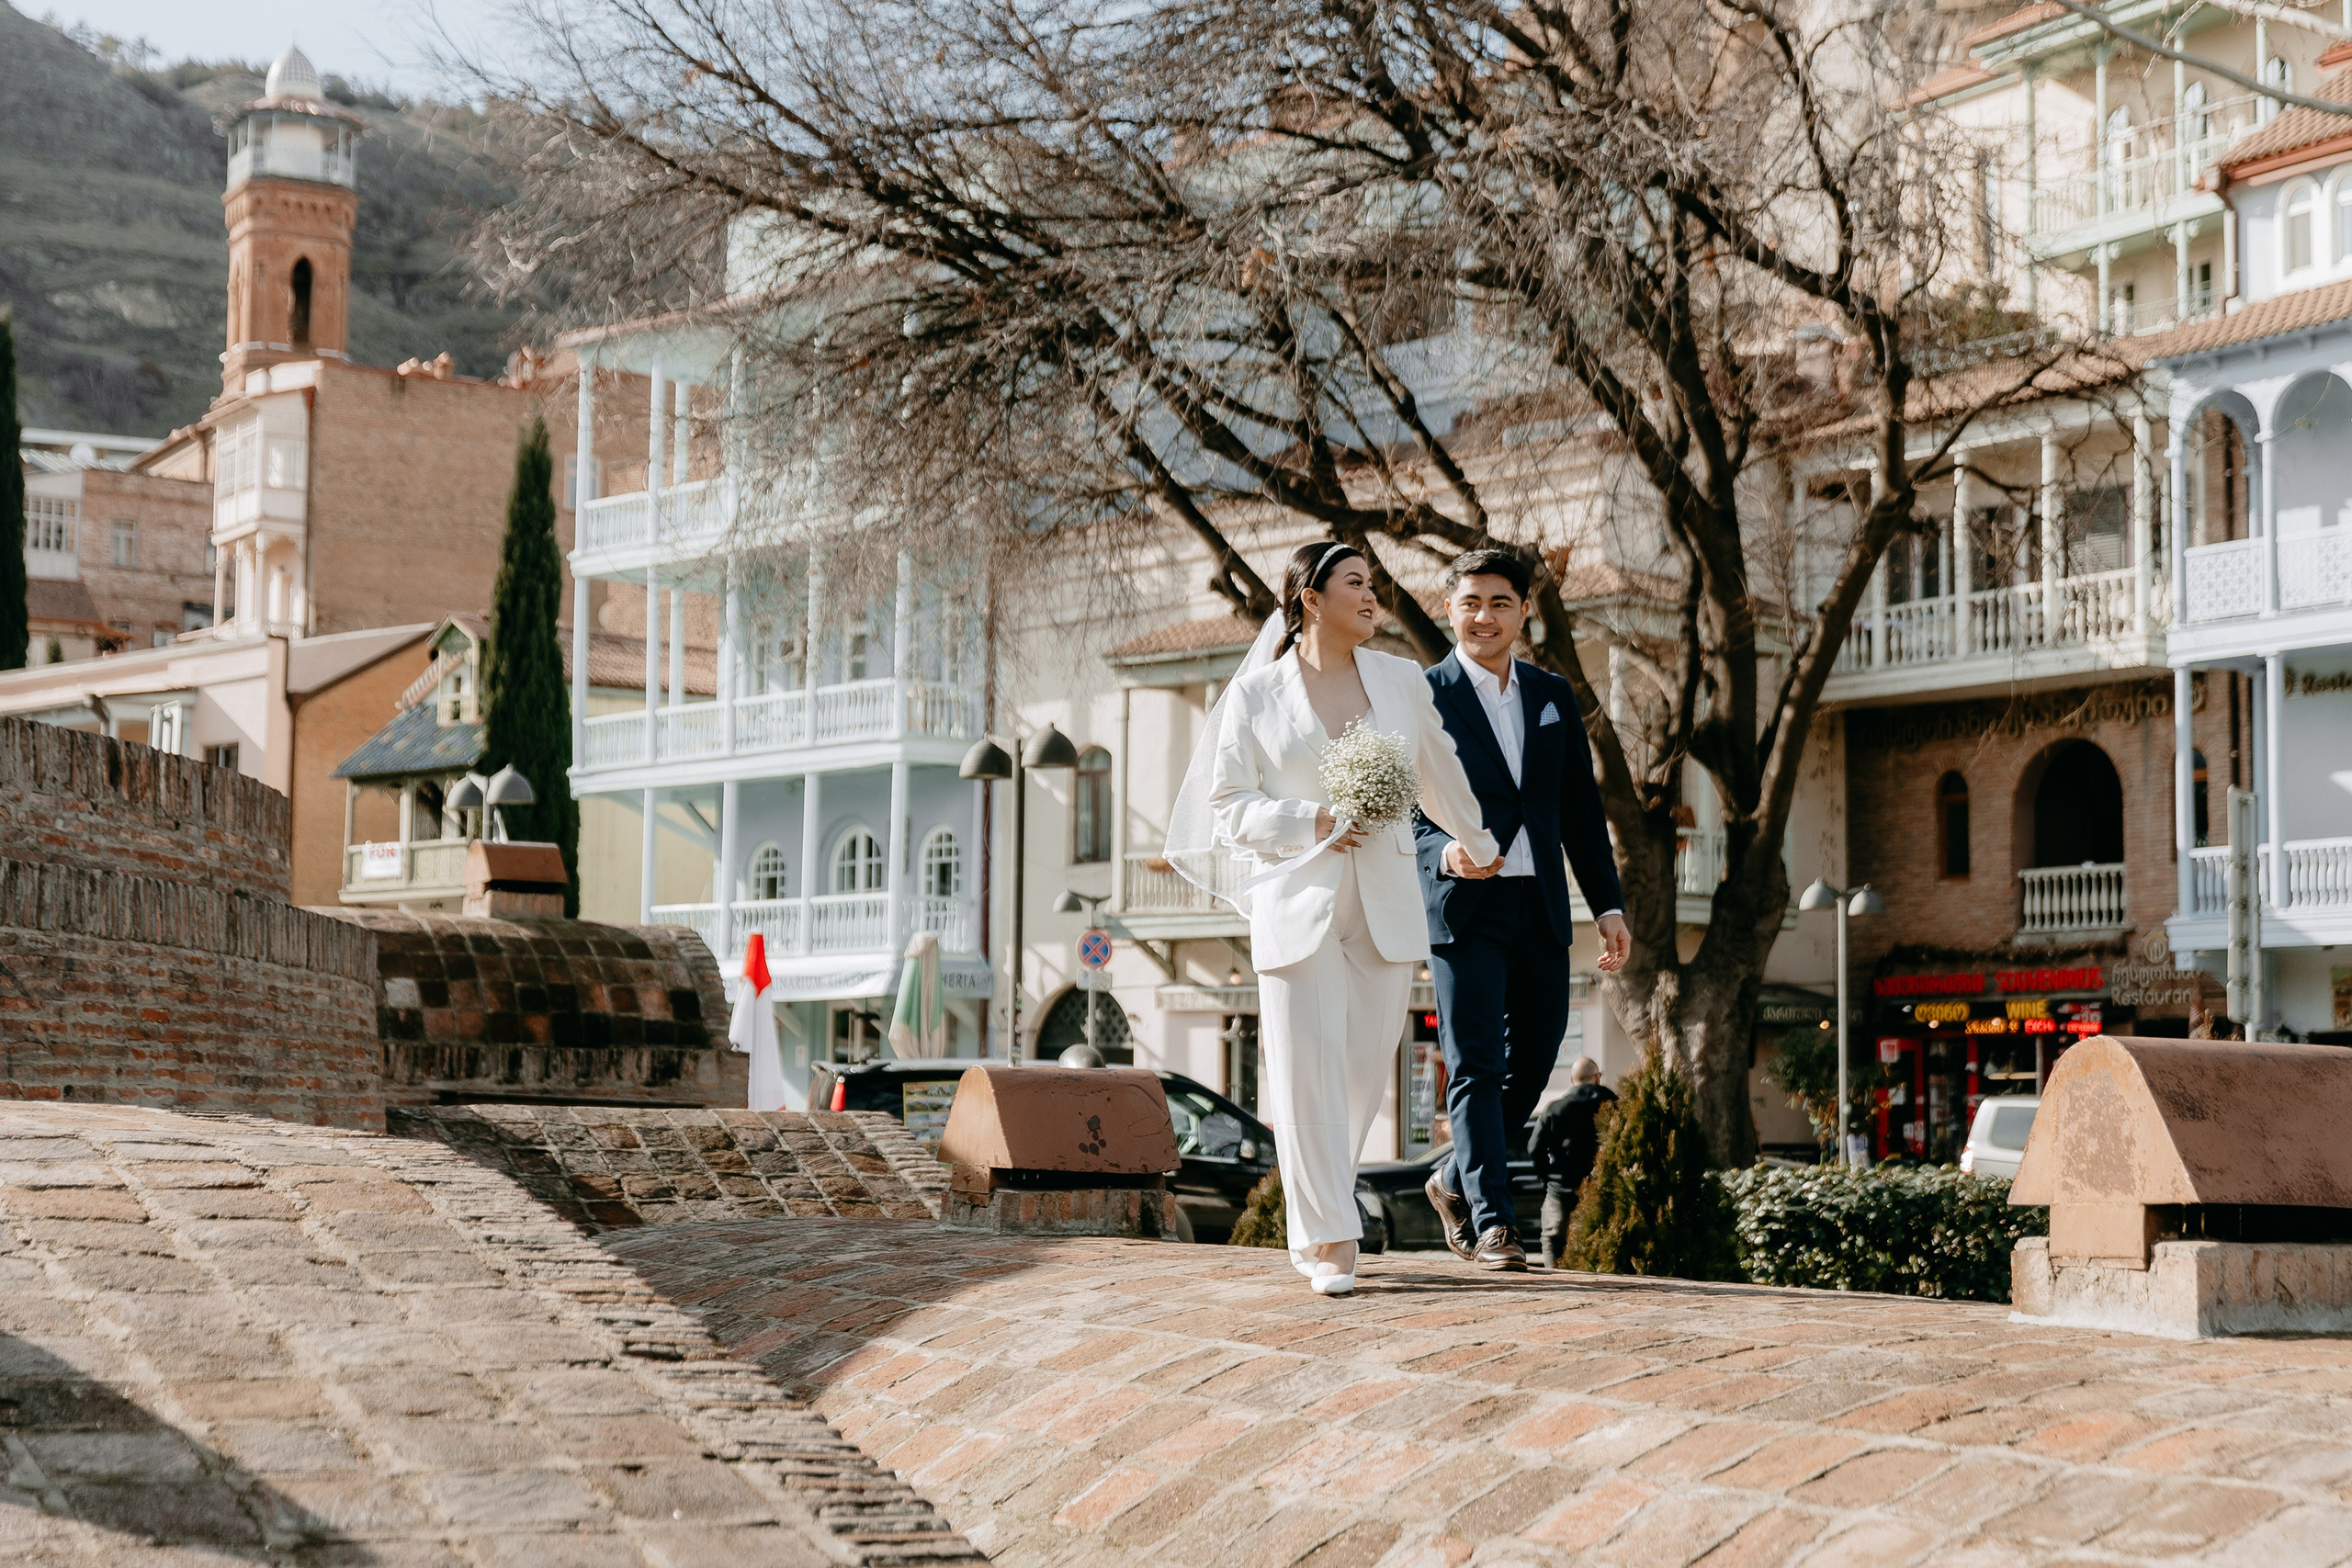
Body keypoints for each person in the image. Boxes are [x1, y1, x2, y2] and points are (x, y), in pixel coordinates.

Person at [1187, 541, 1499, 1298]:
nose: (1371, 597)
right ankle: (1329, 1233)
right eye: (1355, 583)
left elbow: (1440, 765)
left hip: (1386, 906)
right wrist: (1312, 817)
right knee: (1305, 1072)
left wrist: (1477, 838)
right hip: (1296, 900)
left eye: (1374, 584)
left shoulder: (1399, 679)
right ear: (1308, 597)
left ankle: (1323, 1208)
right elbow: (1227, 807)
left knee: (1362, 1071)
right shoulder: (1257, 696)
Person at [1414, 549, 1629, 1271]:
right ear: (1450, 609)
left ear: (1523, 612)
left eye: (1500, 602)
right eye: (1471, 602)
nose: (1484, 616)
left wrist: (1607, 903)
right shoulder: (1422, 696)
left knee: (1536, 1055)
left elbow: (1578, 807)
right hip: (1465, 904)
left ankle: (1451, 1176)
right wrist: (1445, 855)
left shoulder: (1550, 693)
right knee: (1474, 1062)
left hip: (1540, 904)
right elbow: (1398, 811)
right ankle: (1493, 1224)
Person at [1531, 1056, 1616, 1268]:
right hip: (1603, 1193)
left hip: (1561, 1192)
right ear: (1597, 1078)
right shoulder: (1615, 1106)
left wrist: (1547, 1178)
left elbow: (1534, 1149)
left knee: (1552, 1239)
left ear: (1572, 1080)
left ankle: (1556, 1287)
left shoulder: (1554, 1110)